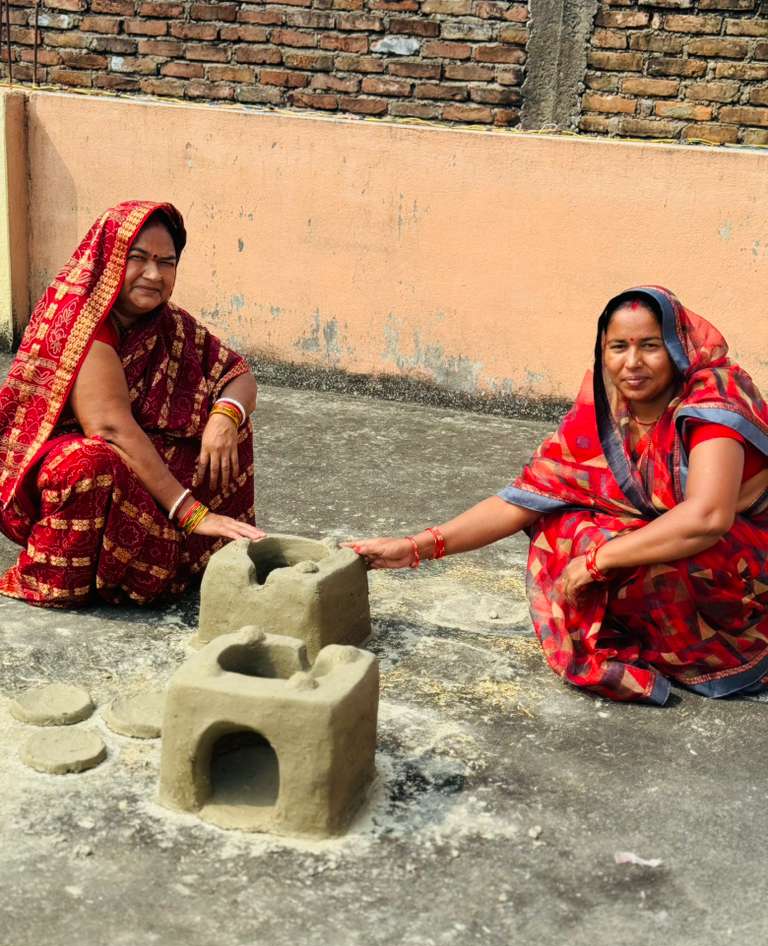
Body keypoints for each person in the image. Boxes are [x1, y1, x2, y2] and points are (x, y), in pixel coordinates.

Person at [347, 286, 768, 705]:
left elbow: (707, 517)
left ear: (678, 346)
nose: (632, 362)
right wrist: (414, 548)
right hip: (694, 542)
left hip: (746, 564)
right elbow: (523, 500)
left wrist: (599, 561)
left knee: (648, 557)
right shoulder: (608, 410)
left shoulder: (711, 402)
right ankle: (649, 640)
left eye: (650, 346)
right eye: (618, 347)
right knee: (562, 527)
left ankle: (713, 655)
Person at [0, 199, 264, 607]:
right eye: (137, 258)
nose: (154, 275)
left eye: (166, 262)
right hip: (66, 467)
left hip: (136, 460)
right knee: (90, 464)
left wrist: (225, 418)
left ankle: (184, 561)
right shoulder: (83, 323)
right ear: (109, 260)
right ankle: (65, 575)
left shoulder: (169, 323)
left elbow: (237, 373)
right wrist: (192, 512)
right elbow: (110, 428)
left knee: (229, 422)